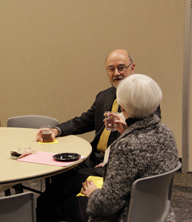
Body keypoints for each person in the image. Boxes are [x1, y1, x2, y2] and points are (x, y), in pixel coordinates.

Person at [35, 49, 161, 221]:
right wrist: (58, 130)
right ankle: (51, 204)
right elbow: (84, 120)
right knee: (61, 167)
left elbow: (145, 139)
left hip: (117, 163)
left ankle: (51, 206)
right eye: (111, 69)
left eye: (121, 67)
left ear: (132, 68)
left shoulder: (143, 100)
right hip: (95, 156)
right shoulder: (104, 96)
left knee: (62, 190)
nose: (116, 73)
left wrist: (125, 127)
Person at [57, 74, 179, 221]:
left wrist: (93, 193)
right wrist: (126, 132)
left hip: (126, 216)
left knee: (55, 205)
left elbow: (106, 206)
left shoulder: (126, 146)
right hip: (156, 210)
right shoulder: (166, 132)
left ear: (122, 107)